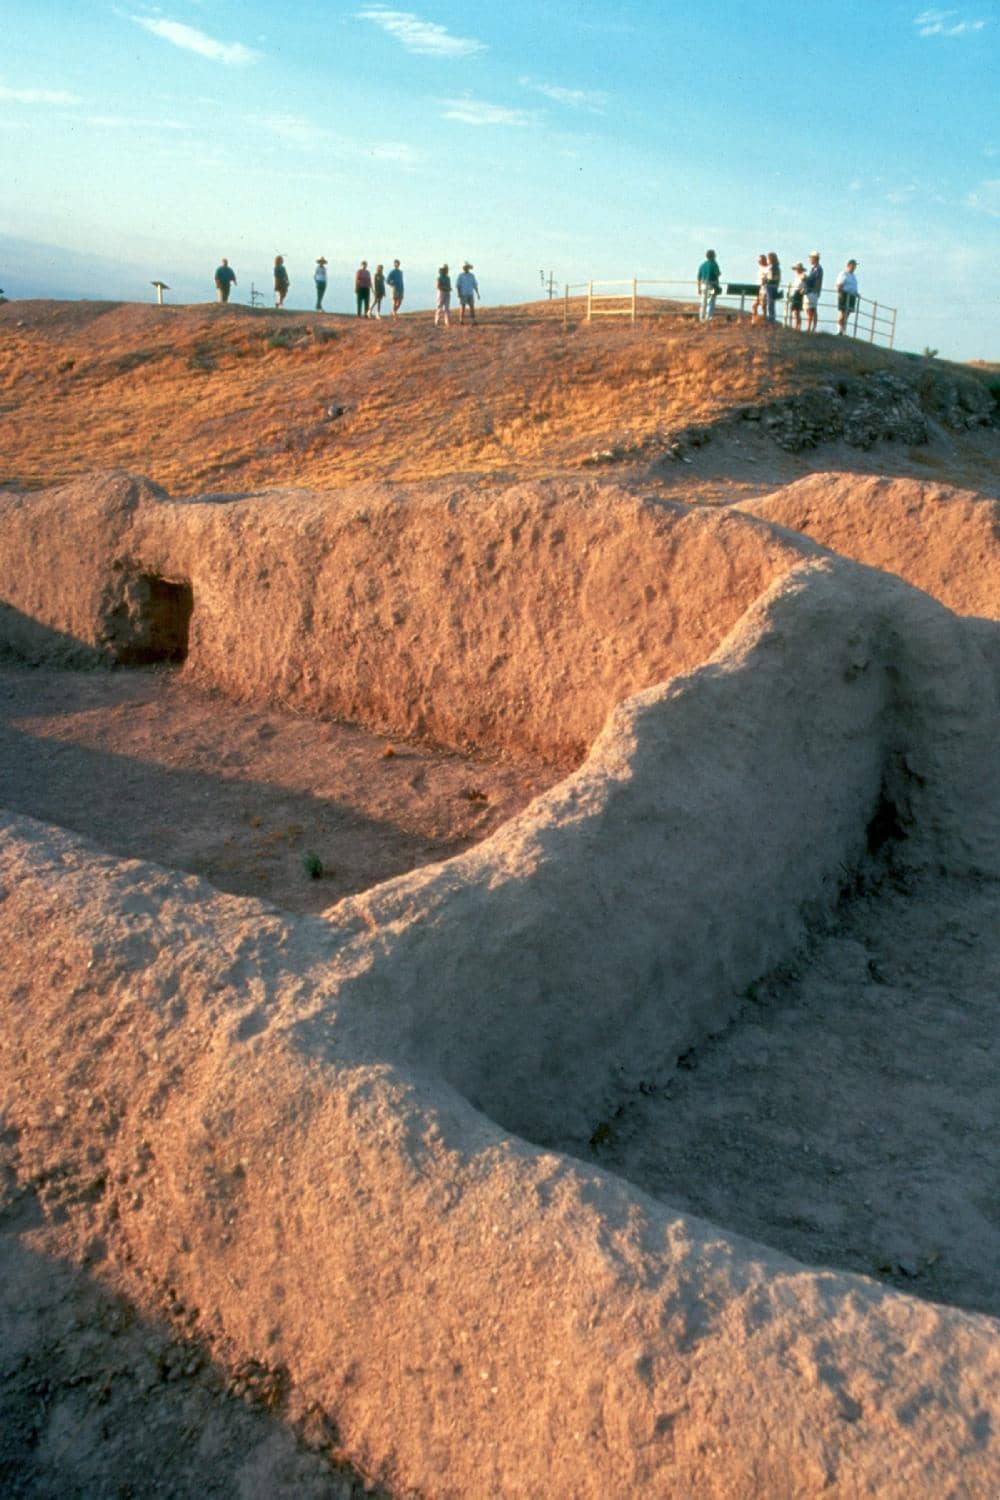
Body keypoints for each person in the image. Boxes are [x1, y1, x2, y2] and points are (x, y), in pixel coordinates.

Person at [696, 249, 721, 322]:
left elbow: (698, 278)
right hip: (711, 286)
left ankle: (701, 318)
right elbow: (717, 275)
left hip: (703, 285)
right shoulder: (714, 264)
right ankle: (708, 318)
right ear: (713, 256)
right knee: (711, 302)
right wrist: (717, 286)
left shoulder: (702, 265)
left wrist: (698, 288)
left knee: (703, 302)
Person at [836, 259, 859, 334]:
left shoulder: (853, 276)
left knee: (847, 313)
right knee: (843, 313)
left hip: (852, 296)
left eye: (855, 265)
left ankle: (843, 330)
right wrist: (840, 293)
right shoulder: (844, 273)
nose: (854, 267)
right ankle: (839, 330)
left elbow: (853, 286)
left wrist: (856, 293)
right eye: (853, 265)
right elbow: (839, 284)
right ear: (849, 265)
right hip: (845, 295)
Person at [804, 251, 823, 333]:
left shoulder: (818, 269)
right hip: (810, 291)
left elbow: (817, 281)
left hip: (812, 291)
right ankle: (810, 328)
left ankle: (811, 328)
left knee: (811, 309)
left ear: (815, 258)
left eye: (811, 258)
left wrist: (815, 291)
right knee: (810, 309)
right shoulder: (814, 268)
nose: (810, 259)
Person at [788, 263, 808, 331]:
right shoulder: (796, 277)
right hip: (795, 292)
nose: (796, 270)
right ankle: (795, 325)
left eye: (798, 269)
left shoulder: (803, 275)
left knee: (797, 311)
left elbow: (805, 280)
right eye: (796, 269)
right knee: (793, 310)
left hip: (799, 293)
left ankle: (798, 326)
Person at [764, 251, 781, 324]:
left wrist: (767, 279)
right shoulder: (774, 267)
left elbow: (776, 278)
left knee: (770, 302)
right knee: (770, 302)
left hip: (771, 285)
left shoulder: (774, 267)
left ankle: (771, 318)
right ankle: (771, 317)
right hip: (771, 285)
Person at [752, 254, 769, 323]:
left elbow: (768, 278)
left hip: (764, 289)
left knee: (763, 305)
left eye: (760, 260)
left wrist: (765, 280)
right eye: (758, 261)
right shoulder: (760, 268)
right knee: (754, 305)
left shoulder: (768, 268)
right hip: (758, 288)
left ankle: (764, 319)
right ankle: (754, 319)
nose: (759, 262)